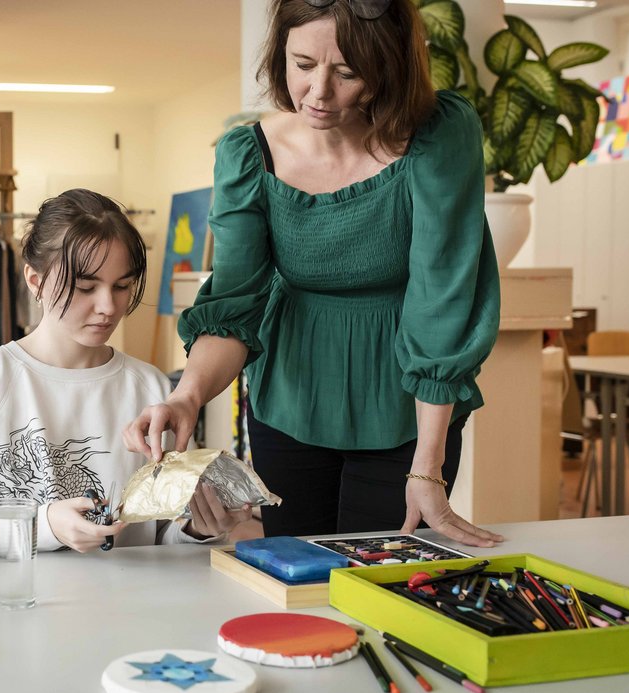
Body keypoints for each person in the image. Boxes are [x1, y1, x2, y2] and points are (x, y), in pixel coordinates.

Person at [125, 0, 504, 548]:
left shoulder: (438, 135)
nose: (319, 93)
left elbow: (441, 299)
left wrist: (428, 467)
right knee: (297, 570)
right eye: (302, 64)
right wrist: (186, 398)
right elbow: (235, 306)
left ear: (388, 66)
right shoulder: (249, 153)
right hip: (290, 400)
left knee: (383, 575)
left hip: (405, 406)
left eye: (347, 72)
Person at [0, 189, 248, 556]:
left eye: (122, 286)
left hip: (132, 608)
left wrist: (198, 531)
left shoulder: (151, 387)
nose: (108, 306)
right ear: (35, 281)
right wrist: (44, 525)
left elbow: (164, 539)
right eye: (86, 287)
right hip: (15, 606)